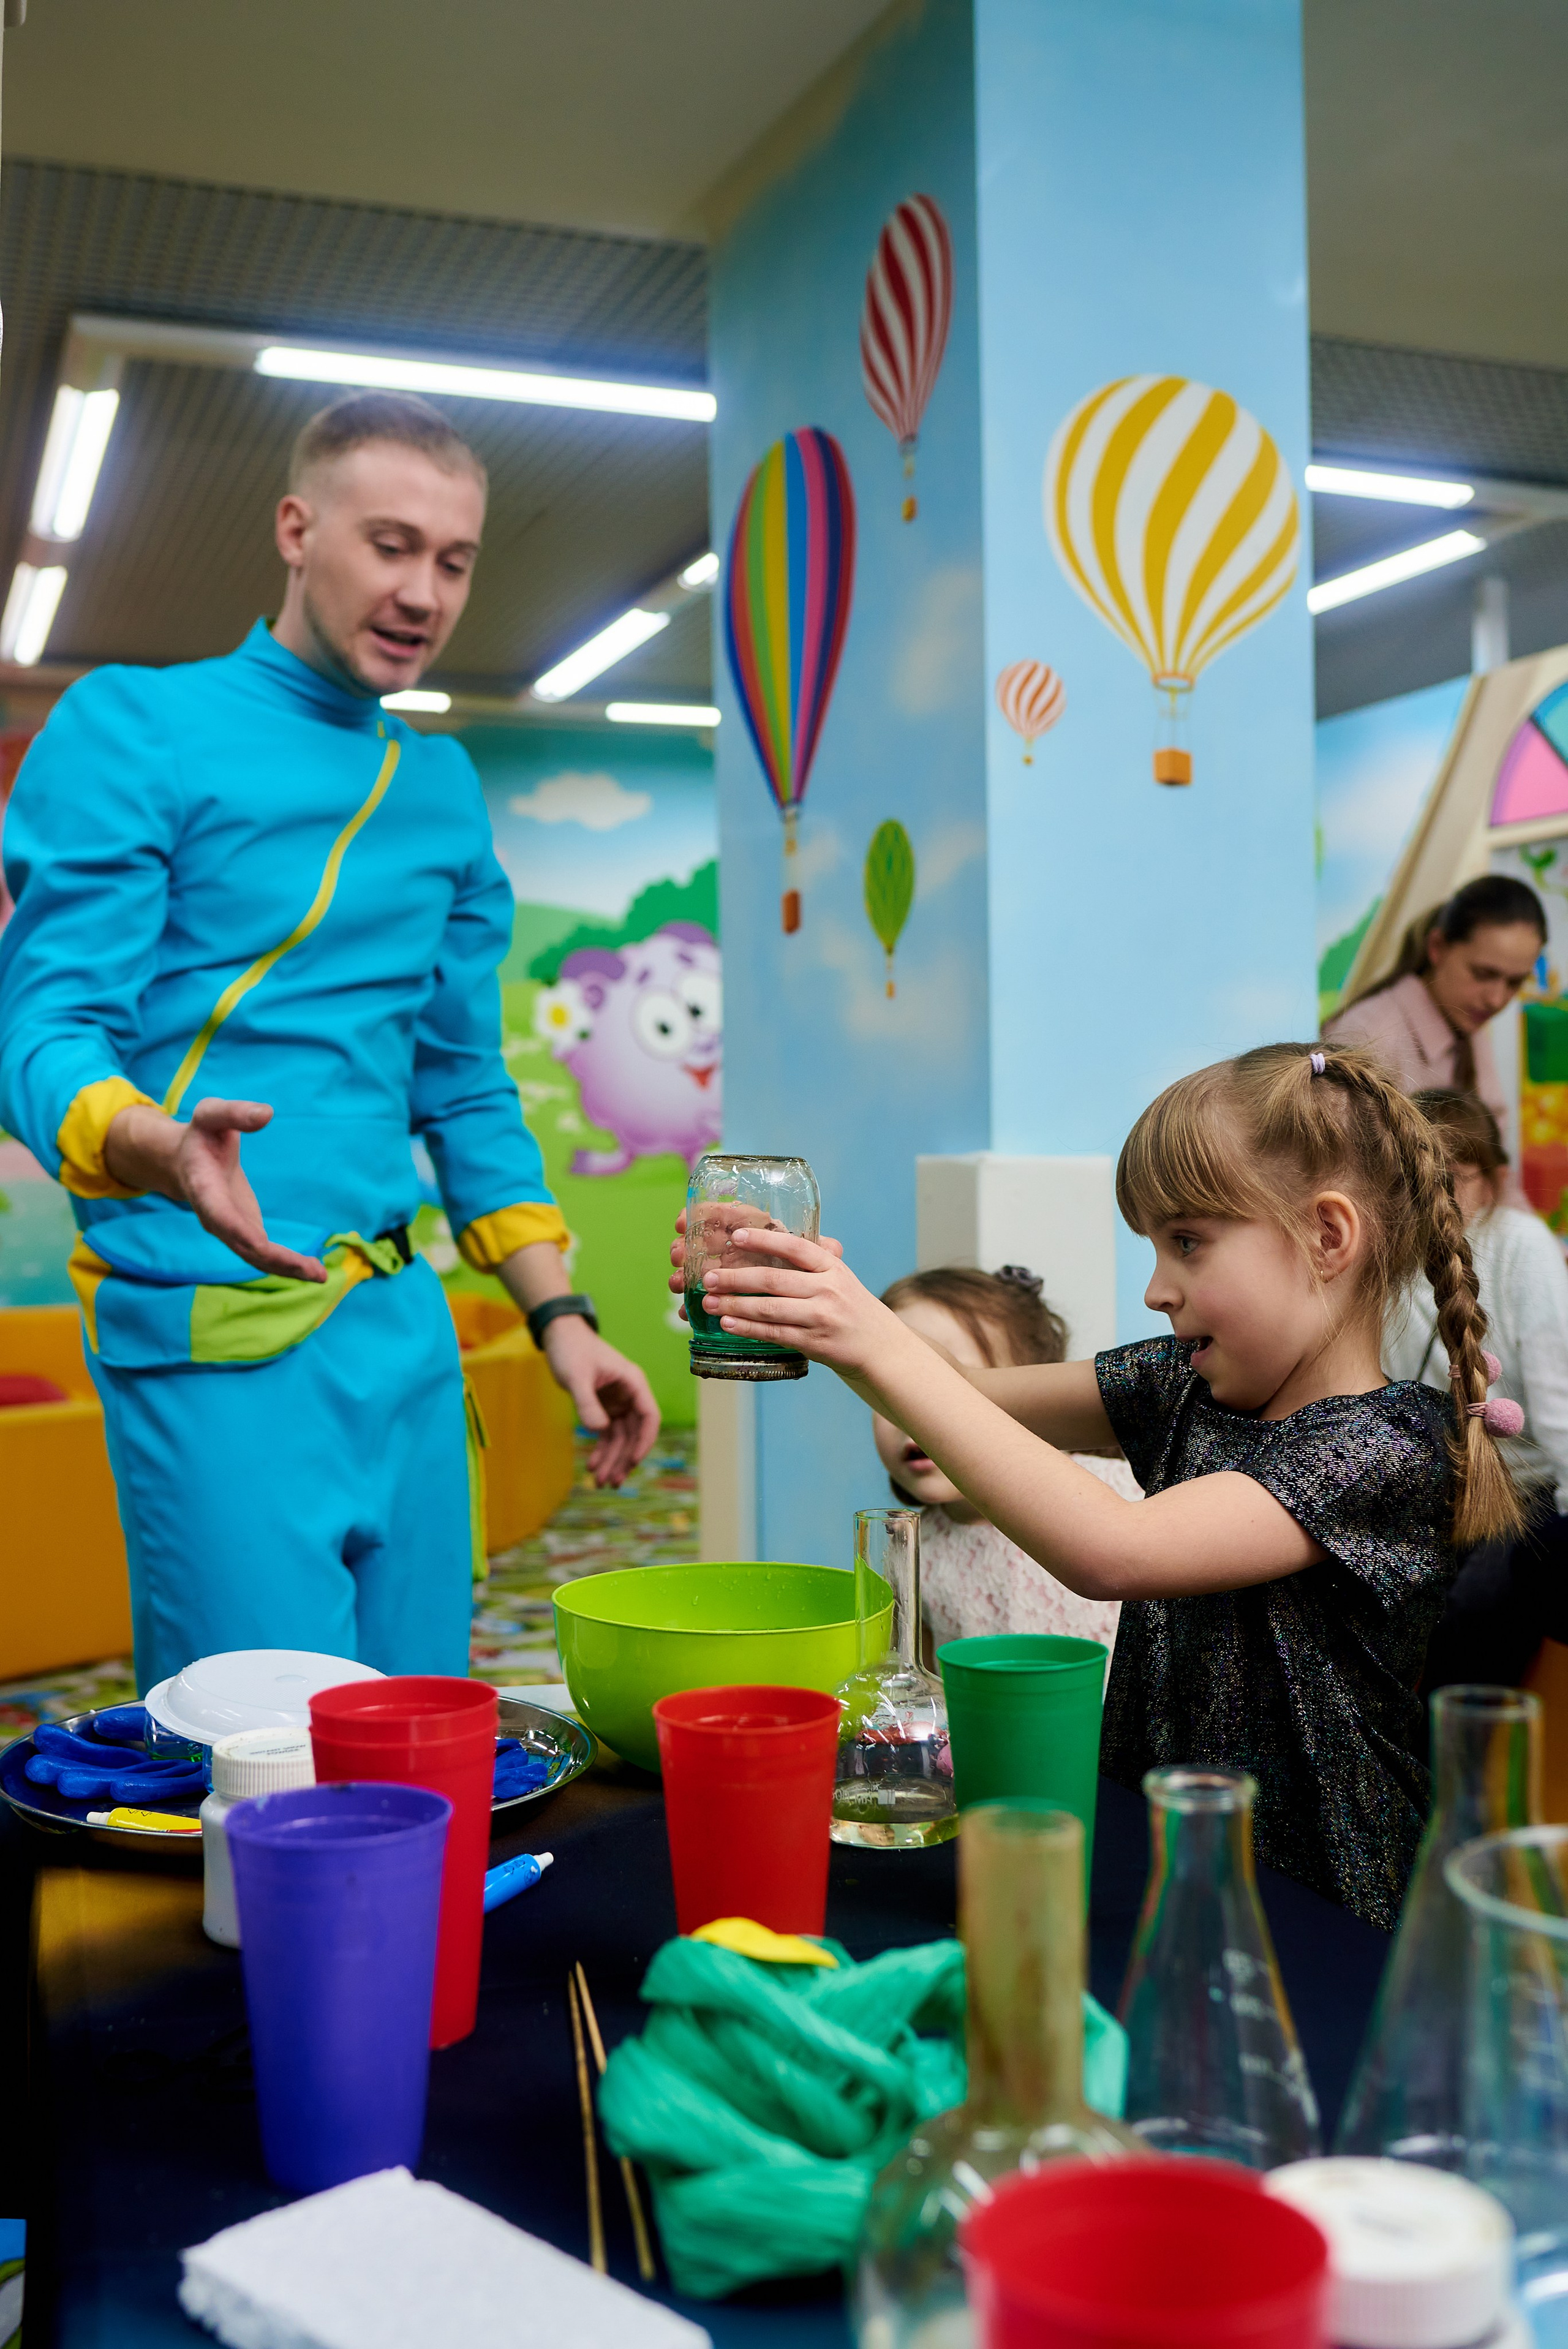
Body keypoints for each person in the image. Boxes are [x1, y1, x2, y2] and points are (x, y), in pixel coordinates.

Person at [0, 391, 660, 1694]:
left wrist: (561, 1319)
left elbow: (462, 1088)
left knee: (422, 1722)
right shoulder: (134, 725)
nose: (423, 592)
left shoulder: (442, 791)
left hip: (403, 1336)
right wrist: (156, 1147)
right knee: (267, 1745)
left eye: (454, 561)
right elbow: (45, 1030)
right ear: (298, 530)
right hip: (210, 1324)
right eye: (390, 544)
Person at [675, 1042, 1525, 1931]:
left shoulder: (1386, 1447)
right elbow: (955, 1399)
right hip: (1159, 1867)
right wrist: (803, 1306)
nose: (1156, 1288)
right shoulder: (1181, 1386)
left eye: (1187, 1242)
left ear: (1327, 1236)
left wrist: (868, 1335)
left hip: (1318, 1912)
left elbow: (1115, 1550)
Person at [1385, 1087, 1568, 1686]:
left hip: (1518, 1487)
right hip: (1434, 1485)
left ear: (1489, 1180)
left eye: (1451, 1180)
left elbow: (1558, 1399)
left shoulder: (1520, 1245)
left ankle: (1451, 1736)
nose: (1431, 1199)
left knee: (1471, 1612)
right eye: (1415, 1181)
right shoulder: (1393, 1254)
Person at [873, 1264, 1134, 1654]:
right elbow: (917, 1680)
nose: (912, 1414)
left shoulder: (1129, 1494)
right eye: (886, 1391)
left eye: (944, 1385)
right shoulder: (910, 1549)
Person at [1324, 876, 1545, 1163]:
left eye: (1515, 983)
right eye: (1483, 974)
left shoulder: (1469, 1027)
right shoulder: (1368, 1035)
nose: (1496, 999)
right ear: (1437, 947)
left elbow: (1495, 1163)